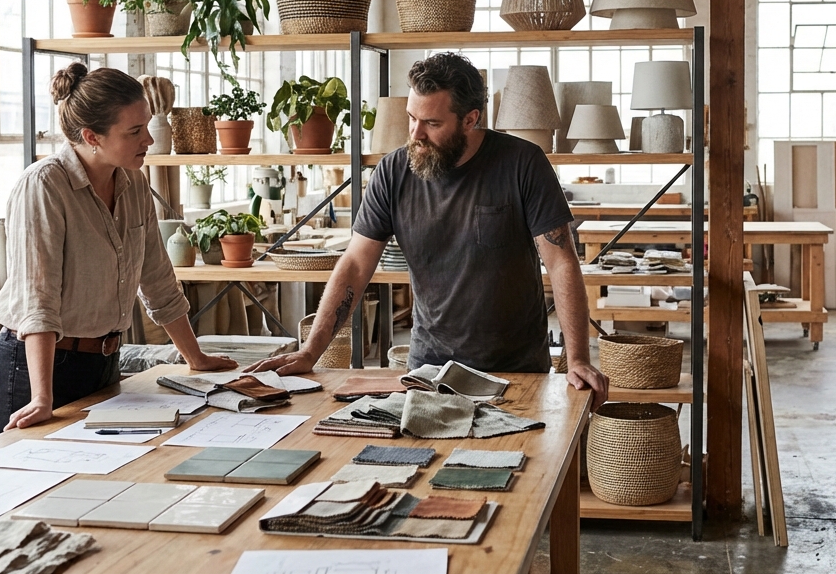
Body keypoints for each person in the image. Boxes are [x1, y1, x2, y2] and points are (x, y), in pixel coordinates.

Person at [253, 52, 609, 406]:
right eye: (411, 118)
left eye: (432, 123)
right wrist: (310, 350)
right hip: (428, 371)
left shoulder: (524, 164)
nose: (416, 134)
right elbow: (356, 266)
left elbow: (562, 263)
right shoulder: (393, 173)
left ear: (470, 119)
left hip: (516, 370)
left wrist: (577, 358)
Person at [0, 63, 238, 437]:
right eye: (134, 131)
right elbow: (38, 301)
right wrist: (42, 397)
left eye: (146, 126)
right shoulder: (44, 186)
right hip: (35, 370)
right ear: (92, 136)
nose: (148, 141)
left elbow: (157, 279)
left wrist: (194, 358)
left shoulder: (133, 183)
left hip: (102, 364)